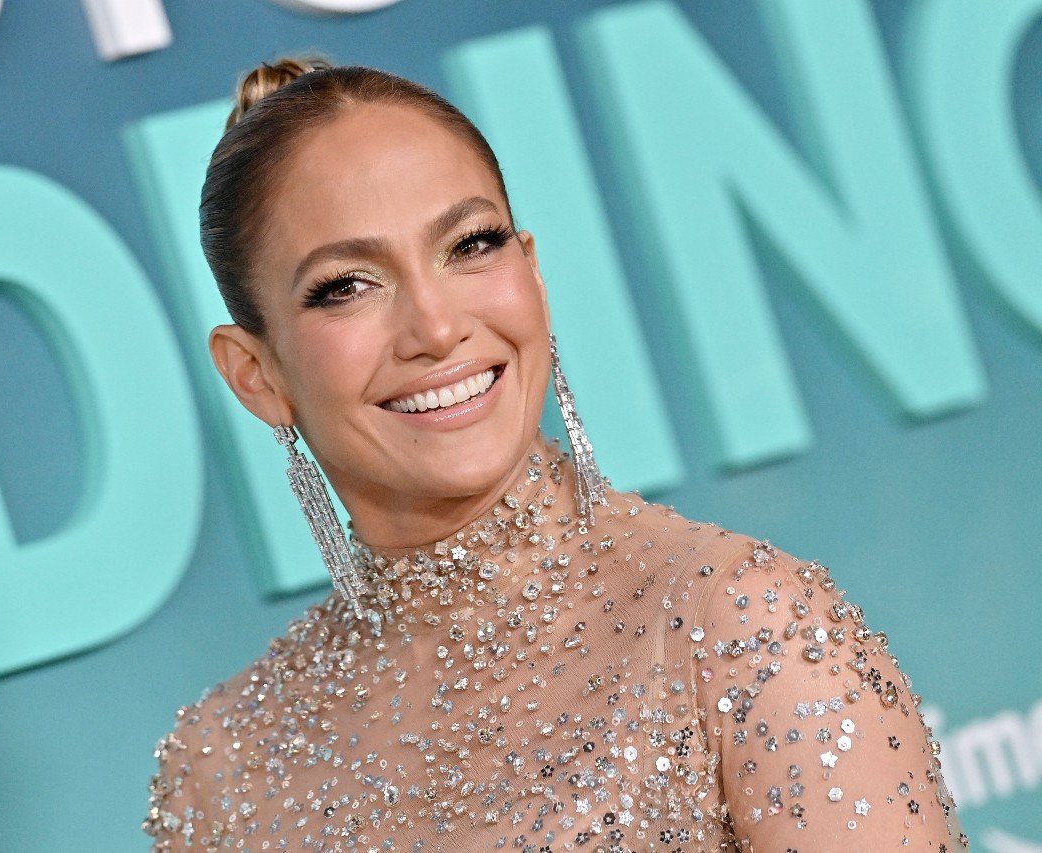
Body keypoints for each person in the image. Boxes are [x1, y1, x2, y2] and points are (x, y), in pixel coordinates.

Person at [141, 56, 966, 851]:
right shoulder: (220, 767)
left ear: (531, 274)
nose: (435, 327)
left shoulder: (747, 628)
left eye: (469, 245)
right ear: (256, 374)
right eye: (348, 286)